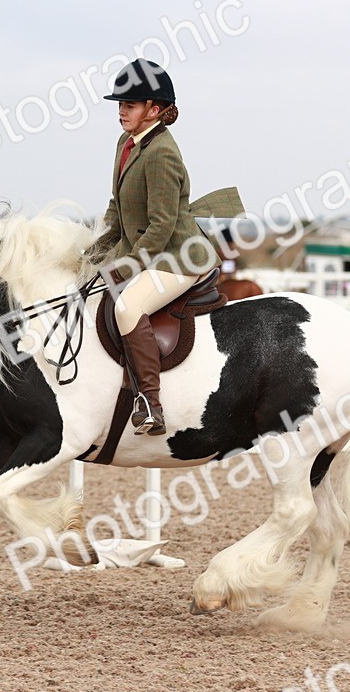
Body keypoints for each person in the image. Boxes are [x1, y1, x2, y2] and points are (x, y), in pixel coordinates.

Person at [99, 58, 243, 435]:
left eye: (129, 105)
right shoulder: (126, 143)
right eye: (120, 104)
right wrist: (94, 252)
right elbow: (117, 208)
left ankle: (149, 401)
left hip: (177, 259)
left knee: (129, 307)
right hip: (148, 250)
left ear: (156, 110)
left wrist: (126, 266)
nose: (121, 112)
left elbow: (161, 226)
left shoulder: (162, 153)